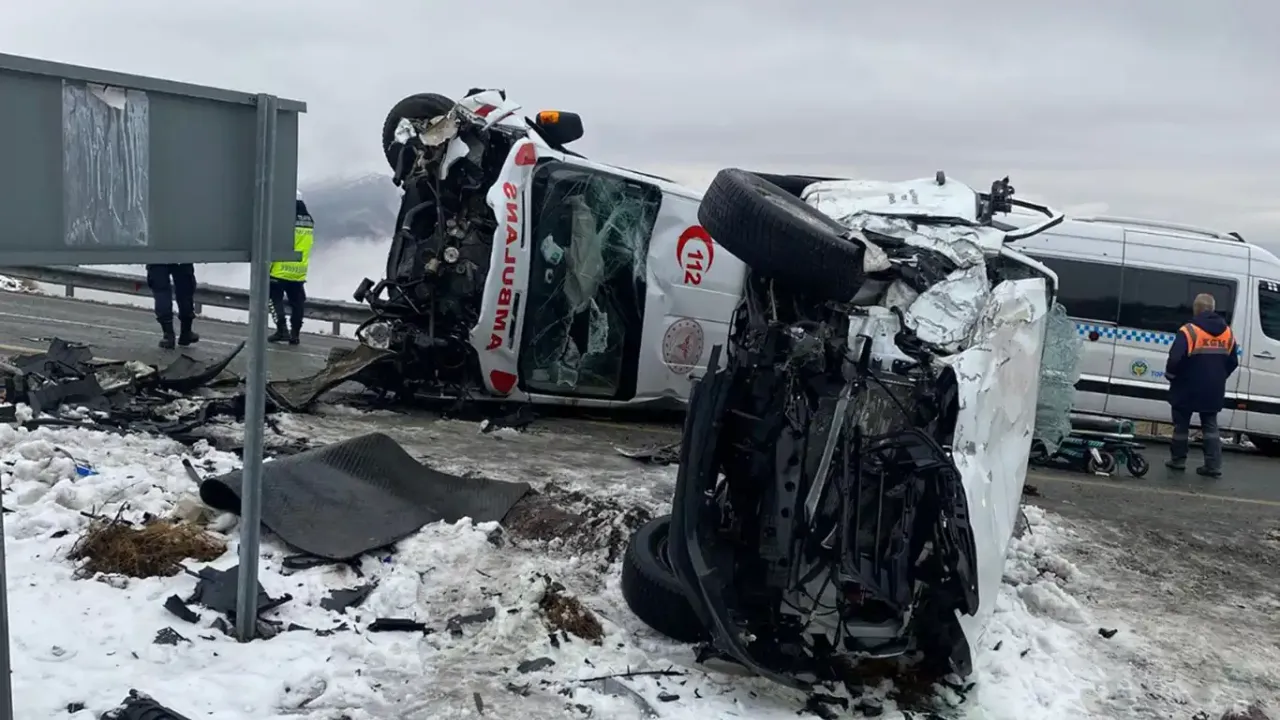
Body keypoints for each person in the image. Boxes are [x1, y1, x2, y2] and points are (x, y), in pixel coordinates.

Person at [1164, 292, 1238, 477]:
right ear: (1213, 309)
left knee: (1181, 424)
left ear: (1196, 309)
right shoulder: (1227, 332)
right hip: (1213, 387)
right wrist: (1220, 376)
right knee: (1210, 426)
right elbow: (1233, 361)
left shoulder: (1189, 331)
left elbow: (1175, 358)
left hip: (1187, 385)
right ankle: (1213, 465)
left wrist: (1171, 376)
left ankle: (1178, 460)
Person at [268, 193, 315, 345]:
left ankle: (282, 330)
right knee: (297, 303)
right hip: (299, 270)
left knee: (274, 299)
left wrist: (267, 266)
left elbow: (276, 243)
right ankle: (295, 335)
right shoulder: (309, 222)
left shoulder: (284, 220)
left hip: (280, 268)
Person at [146, 263, 199, 349]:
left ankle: (168, 335)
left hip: (156, 254)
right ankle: (186, 332)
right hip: (180, 254)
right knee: (185, 291)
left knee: (161, 292)